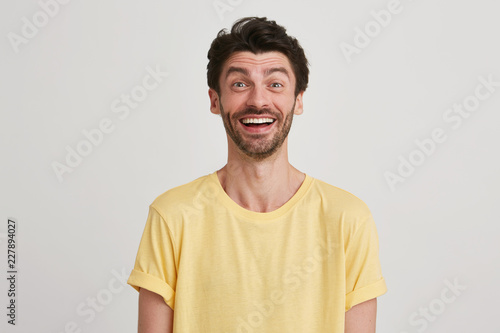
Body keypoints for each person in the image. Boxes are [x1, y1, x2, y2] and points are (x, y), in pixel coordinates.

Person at [127, 16, 387, 333]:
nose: (258, 100)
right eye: (240, 84)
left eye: (275, 84)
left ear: (298, 99)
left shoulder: (348, 218)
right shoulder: (172, 216)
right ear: (215, 100)